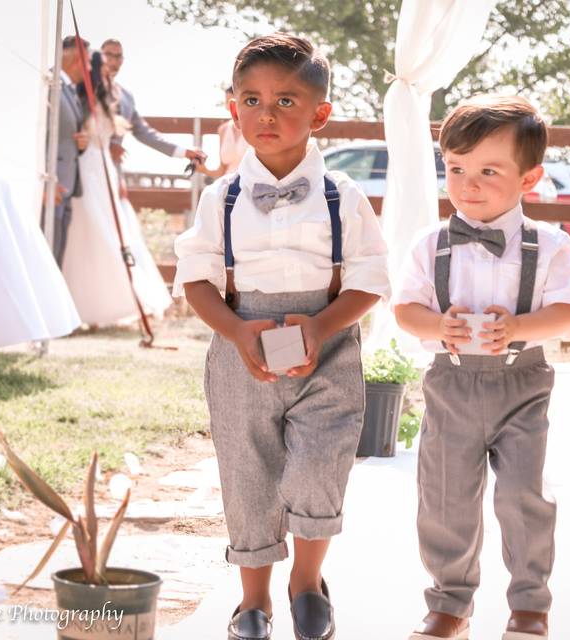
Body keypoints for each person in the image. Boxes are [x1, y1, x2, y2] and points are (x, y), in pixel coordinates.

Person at [173, 33, 389, 640]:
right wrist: (238, 330)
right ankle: (253, 599)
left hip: (329, 345)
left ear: (320, 114)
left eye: (287, 102)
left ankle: (307, 583)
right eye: (252, 99)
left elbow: (372, 277)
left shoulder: (341, 196)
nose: (267, 115)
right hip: (241, 347)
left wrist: (320, 325)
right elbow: (197, 281)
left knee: (321, 464)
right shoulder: (221, 198)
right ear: (232, 106)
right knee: (248, 472)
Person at [393, 95, 570, 640]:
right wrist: (438, 327)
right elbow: (406, 308)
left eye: (488, 171)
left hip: (522, 384)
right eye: (455, 169)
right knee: (445, 496)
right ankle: (450, 604)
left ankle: (529, 604)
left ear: (529, 179)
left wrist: (519, 327)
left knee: (523, 495)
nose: (467, 184)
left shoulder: (550, 245)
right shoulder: (430, 244)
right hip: (452, 383)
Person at [61, 51, 172, 327]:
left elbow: (141, 132)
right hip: (83, 169)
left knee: (113, 234)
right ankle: (76, 306)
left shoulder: (116, 99)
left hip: (105, 171)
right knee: (83, 234)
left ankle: (113, 303)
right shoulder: (76, 97)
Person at [100, 38, 206, 177]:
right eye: (109, 55)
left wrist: (185, 152)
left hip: (113, 171)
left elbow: (145, 133)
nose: (114, 61)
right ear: (99, 56)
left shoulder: (126, 97)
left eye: (118, 56)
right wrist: (107, 146)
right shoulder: (83, 87)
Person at [42, 35, 90, 267]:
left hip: (66, 188)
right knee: (47, 256)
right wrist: (46, 181)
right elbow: (40, 133)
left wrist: (82, 145)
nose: (90, 68)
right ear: (76, 59)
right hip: (53, 186)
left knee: (56, 258)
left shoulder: (69, 91)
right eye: (88, 61)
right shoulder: (49, 84)